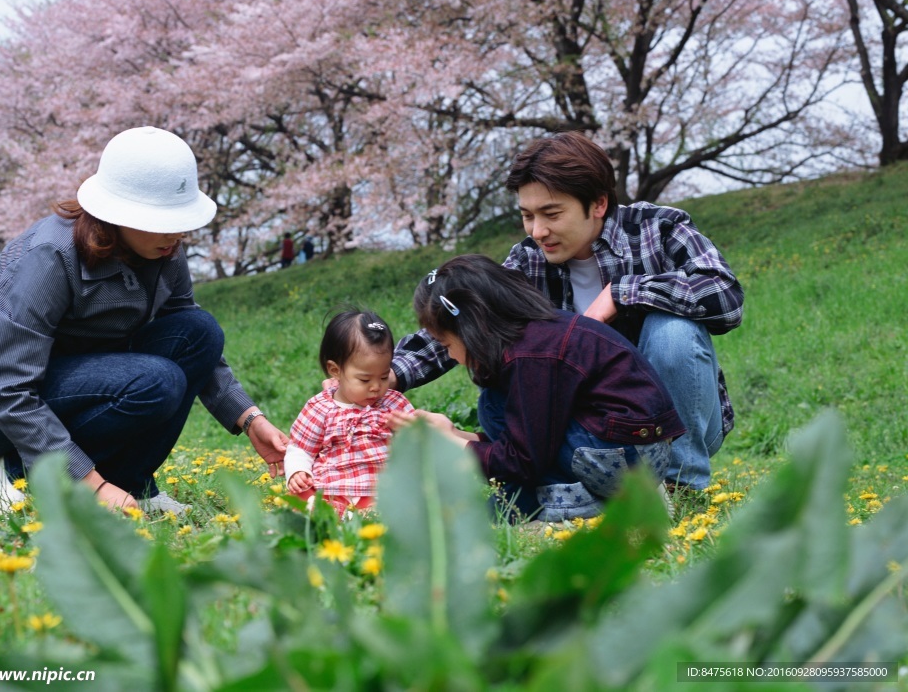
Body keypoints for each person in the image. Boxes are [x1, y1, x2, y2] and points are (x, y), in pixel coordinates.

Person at [0, 126, 289, 514]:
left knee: (199, 332)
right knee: (156, 381)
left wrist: (250, 419)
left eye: (180, 219)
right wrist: (92, 485)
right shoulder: (49, 258)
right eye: (163, 220)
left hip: (69, 371)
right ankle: (18, 472)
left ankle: (132, 485)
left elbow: (193, 341)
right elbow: (6, 385)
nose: (177, 233)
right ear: (119, 213)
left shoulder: (164, 250)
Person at [392, 131, 743, 490]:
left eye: (552, 214)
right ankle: (576, 494)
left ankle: (680, 484)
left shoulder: (658, 227)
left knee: (673, 332)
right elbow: (464, 319)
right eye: (527, 216)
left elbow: (725, 295)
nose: (538, 230)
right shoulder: (528, 261)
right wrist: (384, 375)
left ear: (598, 204)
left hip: (678, 424)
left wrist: (622, 293)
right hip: (595, 436)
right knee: (496, 393)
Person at [408, 255, 685, 521]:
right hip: (632, 449)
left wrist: (453, 445)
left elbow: (522, 461)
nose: (452, 357)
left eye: (446, 346)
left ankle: (596, 506)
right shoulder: (537, 334)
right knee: (493, 404)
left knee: (502, 504)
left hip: (626, 459)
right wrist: (457, 435)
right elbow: (527, 438)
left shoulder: (531, 356)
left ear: (471, 328)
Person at [285, 310, 414, 515]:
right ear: (335, 370)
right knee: (302, 495)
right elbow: (300, 449)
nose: (376, 387)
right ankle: (330, 512)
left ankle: (360, 515)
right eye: (365, 379)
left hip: (380, 490)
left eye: (383, 377)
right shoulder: (320, 408)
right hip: (331, 489)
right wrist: (298, 471)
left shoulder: (393, 404)